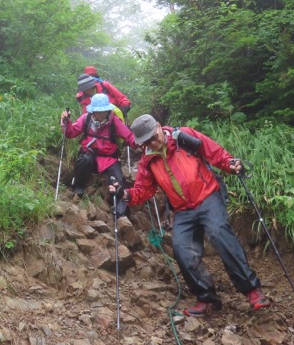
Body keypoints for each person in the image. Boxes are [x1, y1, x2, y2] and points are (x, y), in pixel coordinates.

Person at [109, 114, 268, 316]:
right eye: (146, 141)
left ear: (159, 126)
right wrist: (125, 194)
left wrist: (230, 164)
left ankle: (252, 290)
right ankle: (207, 299)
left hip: (208, 196)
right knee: (181, 249)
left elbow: (214, 153)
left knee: (219, 233)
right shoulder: (147, 160)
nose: (152, 142)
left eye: (153, 136)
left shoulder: (184, 137)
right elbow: (144, 190)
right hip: (182, 209)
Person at [61, 94, 136, 217]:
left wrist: (142, 144)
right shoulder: (86, 118)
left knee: (118, 181)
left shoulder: (114, 121)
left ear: (108, 110)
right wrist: (66, 122)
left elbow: (128, 136)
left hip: (109, 159)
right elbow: (70, 133)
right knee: (84, 160)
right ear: (93, 110)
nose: (101, 114)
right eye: (98, 111)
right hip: (89, 156)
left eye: (104, 111)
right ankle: (77, 188)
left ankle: (121, 211)